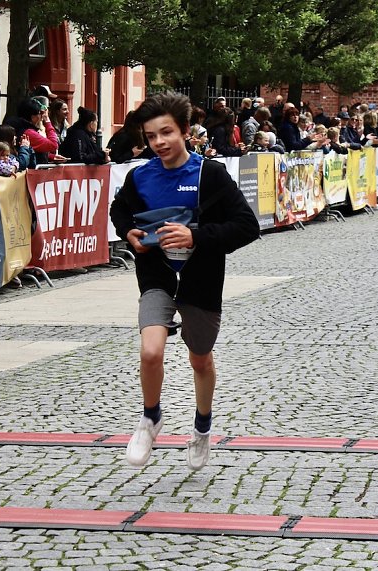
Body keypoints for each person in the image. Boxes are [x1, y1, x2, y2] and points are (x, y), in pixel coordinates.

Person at [109, 91, 260, 470]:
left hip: (201, 280)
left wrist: (197, 236)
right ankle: (150, 418)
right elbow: (119, 209)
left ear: (185, 131)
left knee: (199, 359)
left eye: (166, 133)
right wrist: (128, 232)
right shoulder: (140, 176)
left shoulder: (210, 174)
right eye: (151, 136)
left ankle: (202, 428)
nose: (158, 142)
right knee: (150, 351)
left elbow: (246, 226)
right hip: (157, 275)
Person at [2, 98, 60, 165]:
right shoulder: (28, 133)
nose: (42, 116)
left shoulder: (18, 126)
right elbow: (53, 145)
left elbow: (32, 151)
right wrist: (47, 121)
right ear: (33, 117)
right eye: (40, 113)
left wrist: (51, 157)